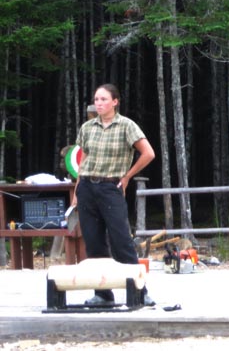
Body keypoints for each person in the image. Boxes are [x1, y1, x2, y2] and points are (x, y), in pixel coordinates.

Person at [72, 84, 156, 307]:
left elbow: (148, 153)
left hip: (111, 187)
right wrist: (77, 191)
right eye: (96, 99)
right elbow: (83, 161)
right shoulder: (88, 127)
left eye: (103, 99)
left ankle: (139, 290)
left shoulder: (127, 126)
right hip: (87, 186)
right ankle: (103, 294)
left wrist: (127, 176)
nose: (99, 103)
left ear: (115, 102)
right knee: (93, 241)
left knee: (121, 240)